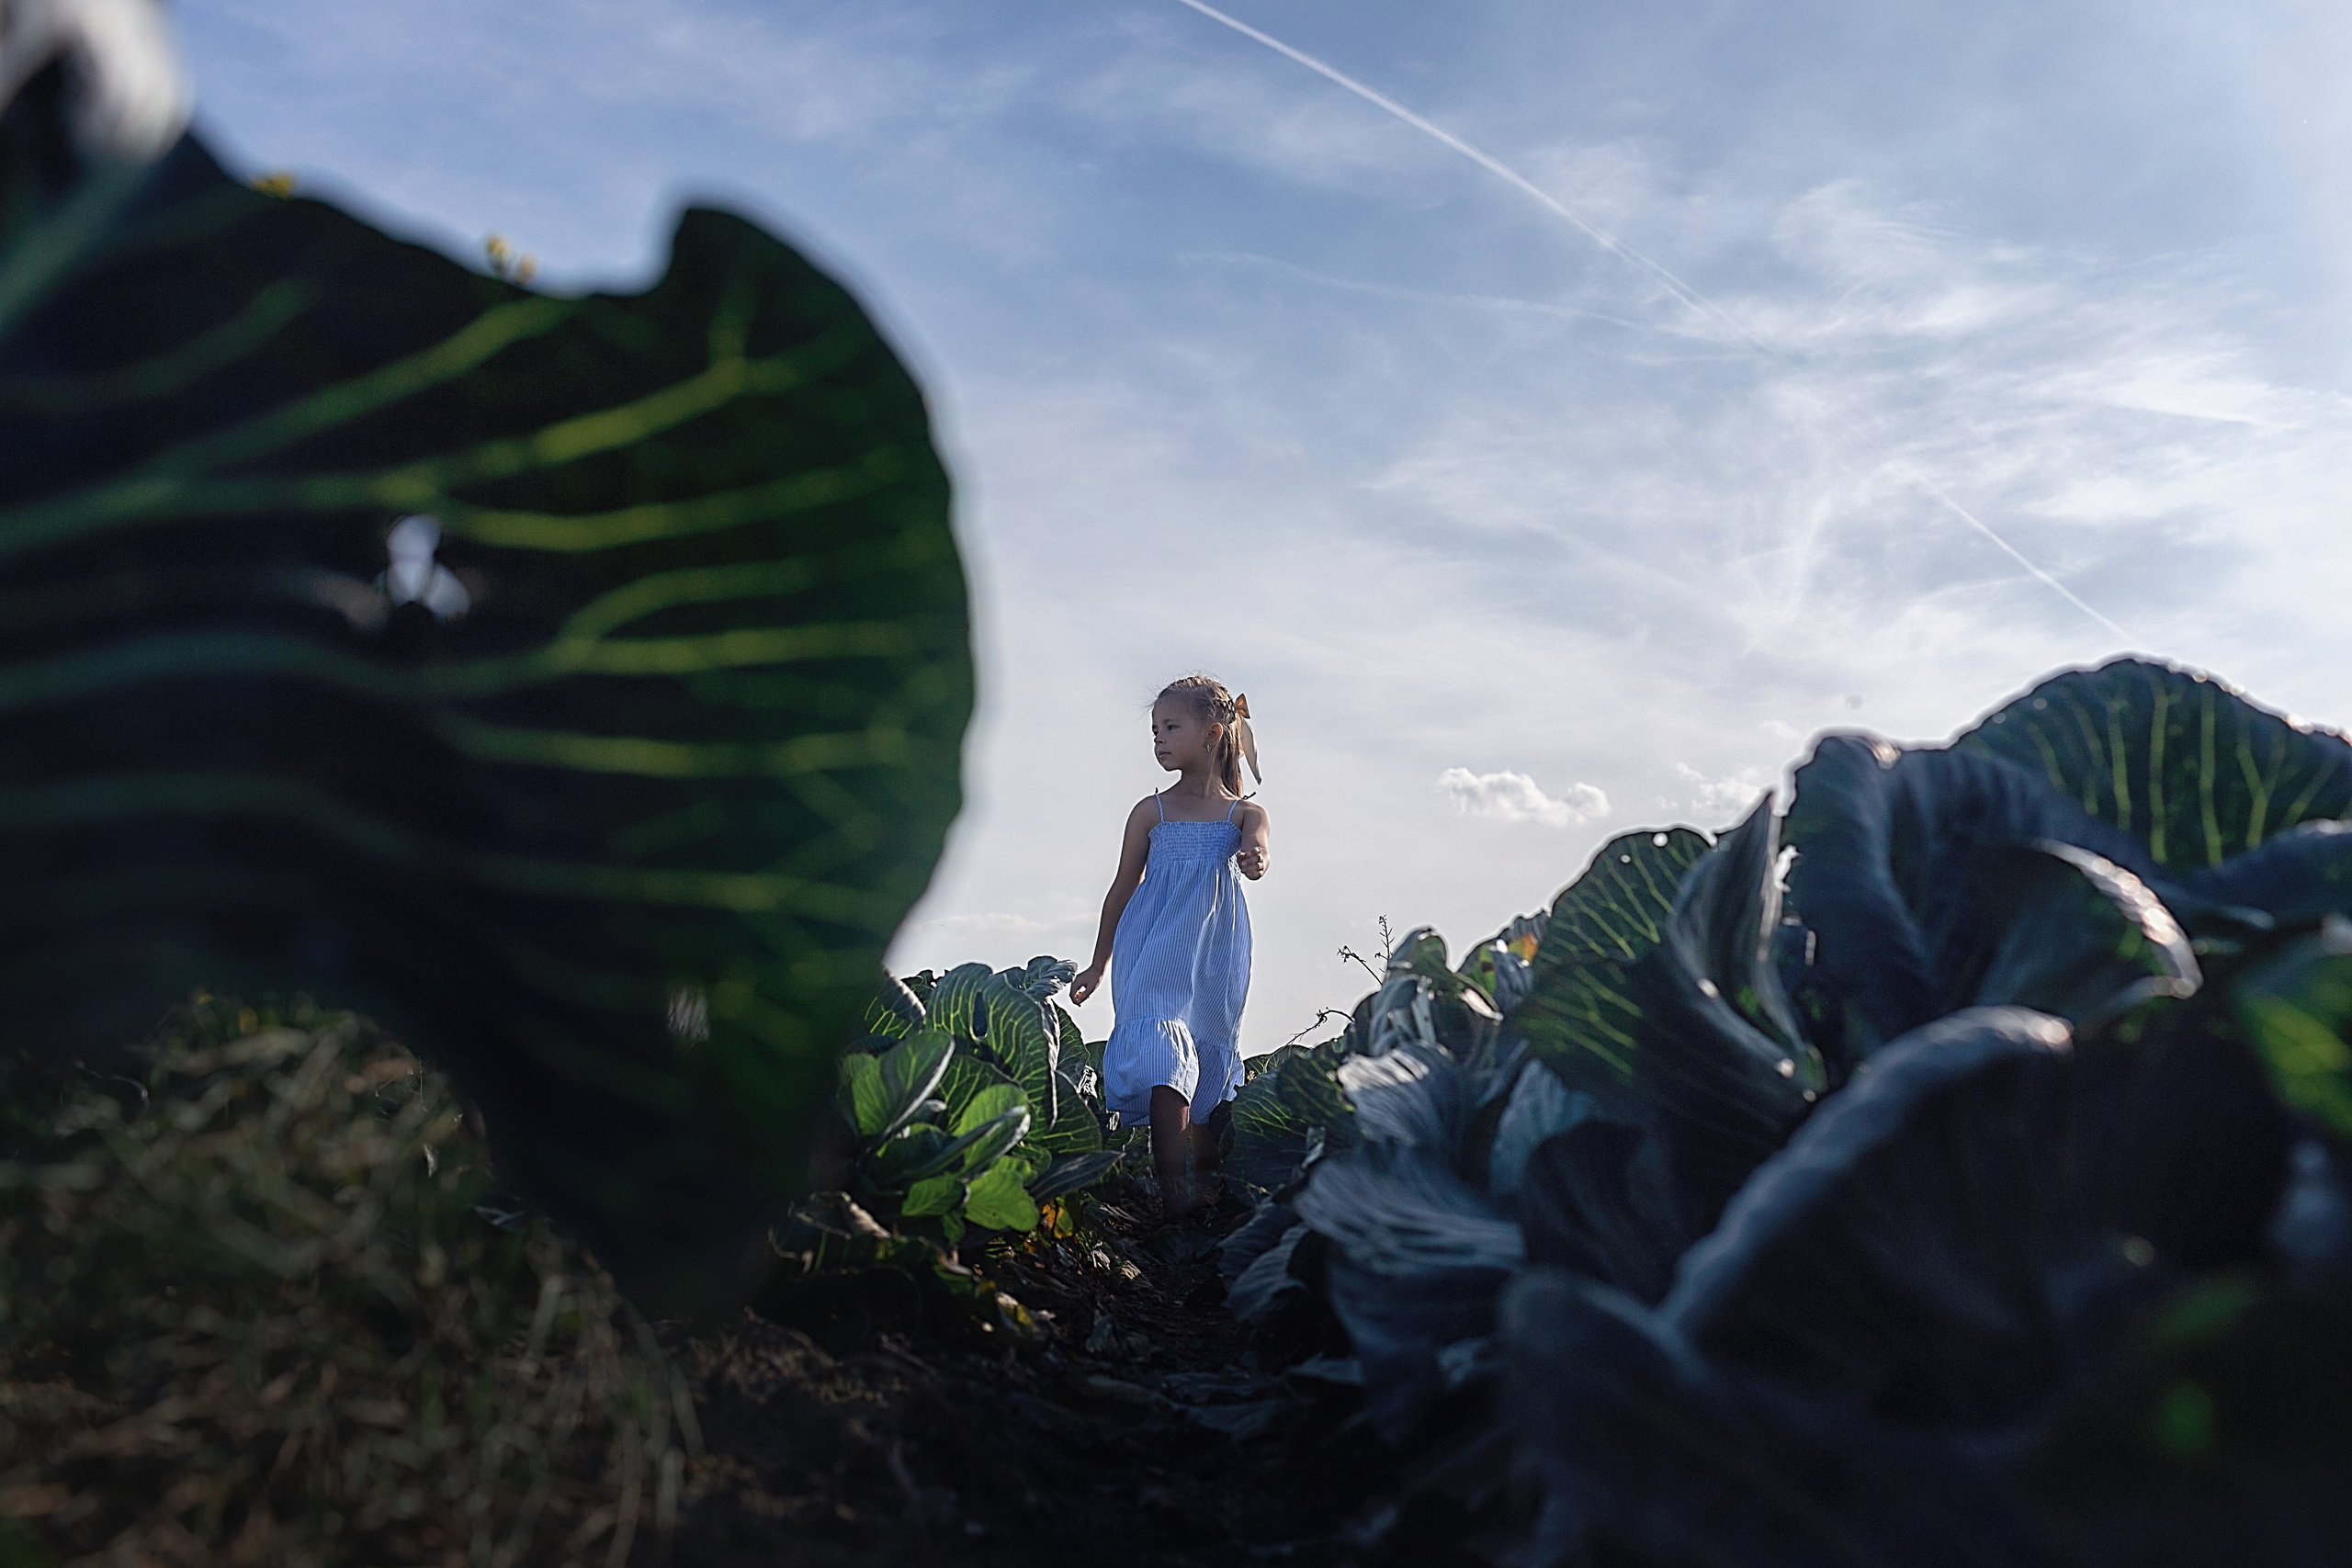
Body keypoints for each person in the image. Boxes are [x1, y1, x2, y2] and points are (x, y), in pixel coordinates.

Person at [1069, 676, 1271, 1218]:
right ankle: (1174, 1204)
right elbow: (1121, 888)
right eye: (1155, 729)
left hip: (1213, 958)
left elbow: (1259, 849)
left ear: (1212, 734)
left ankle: (1208, 1202)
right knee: (1165, 1063)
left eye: (1171, 726)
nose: (1158, 738)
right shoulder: (1150, 812)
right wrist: (1098, 964)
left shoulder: (1243, 814)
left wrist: (1254, 858)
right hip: (1151, 951)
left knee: (1202, 1077)